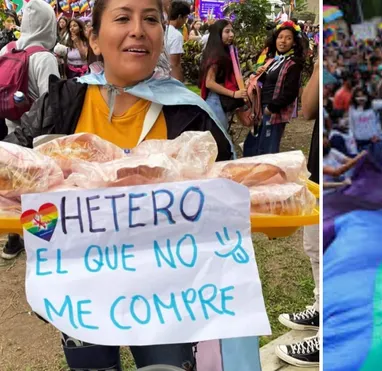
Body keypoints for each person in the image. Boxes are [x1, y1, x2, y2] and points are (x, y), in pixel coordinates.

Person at [4, 0, 232, 367]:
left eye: (151, 19)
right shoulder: (64, 101)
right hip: (81, 294)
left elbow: (231, 199)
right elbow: (14, 169)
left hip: (167, 299)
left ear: (161, 35)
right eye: (123, 17)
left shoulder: (190, 116)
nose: (138, 29)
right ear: (94, 39)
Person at [0, 0, 60, 261]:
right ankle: (40, 240)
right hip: (37, 134)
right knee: (39, 186)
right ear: (49, 24)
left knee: (15, 185)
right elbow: (53, 101)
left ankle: (13, 241)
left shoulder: (7, 48)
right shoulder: (44, 57)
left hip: (11, 128)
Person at [275, 58, 320, 368]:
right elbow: (309, 109)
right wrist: (320, 67)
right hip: (323, 165)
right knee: (316, 247)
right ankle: (322, 305)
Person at [243, 20, 306, 157]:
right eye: (280, 37)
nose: (283, 41)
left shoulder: (293, 64)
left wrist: (271, 108)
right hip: (262, 110)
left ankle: (268, 178)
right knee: (256, 147)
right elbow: (269, 83)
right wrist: (261, 74)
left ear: (294, 43)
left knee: (268, 151)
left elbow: (290, 92)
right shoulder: (273, 60)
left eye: (288, 38)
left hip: (273, 112)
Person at [200, 19, 246, 132]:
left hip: (219, 100)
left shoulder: (224, 52)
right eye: (227, 31)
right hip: (215, 101)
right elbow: (209, 83)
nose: (231, 35)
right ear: (218, 33)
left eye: (232, 31)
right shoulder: (216, 55)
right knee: (220, 139)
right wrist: (234, 94)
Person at [348, 87, 382, 155]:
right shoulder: (352, 108)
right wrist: (353, 142)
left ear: (366, 96)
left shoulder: (372, 105)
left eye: (362, 95)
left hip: (376, 142)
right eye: (358, 96)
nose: (360, 98)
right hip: (361, 144)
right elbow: (351, 126)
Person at [166, 0, 190, 81]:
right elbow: (175, 64)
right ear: (180, 17)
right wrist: (179, 84)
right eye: (185, 17)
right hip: (166, 78)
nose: (185, 21)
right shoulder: (176, 35)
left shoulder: (160, 29)